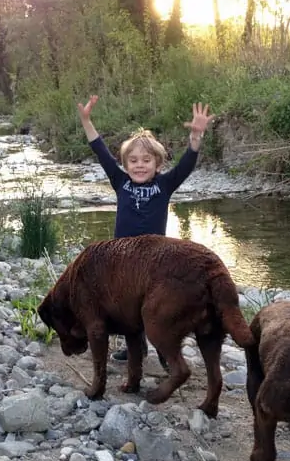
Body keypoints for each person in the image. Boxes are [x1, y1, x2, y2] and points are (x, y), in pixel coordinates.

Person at [76, 94, 215, 367]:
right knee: (127, 305)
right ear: (126, 165)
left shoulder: (164, 185)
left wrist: (196, 138)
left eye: (146, 160)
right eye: (134, 161)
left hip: (154, 260)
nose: (140, 165)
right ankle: (134, 348)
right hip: (123, 259)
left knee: (158, 307)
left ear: (158, 164)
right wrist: (86, 120)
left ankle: (166, 350)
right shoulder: (120, 182)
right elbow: (101, 151)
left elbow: (186, 165)